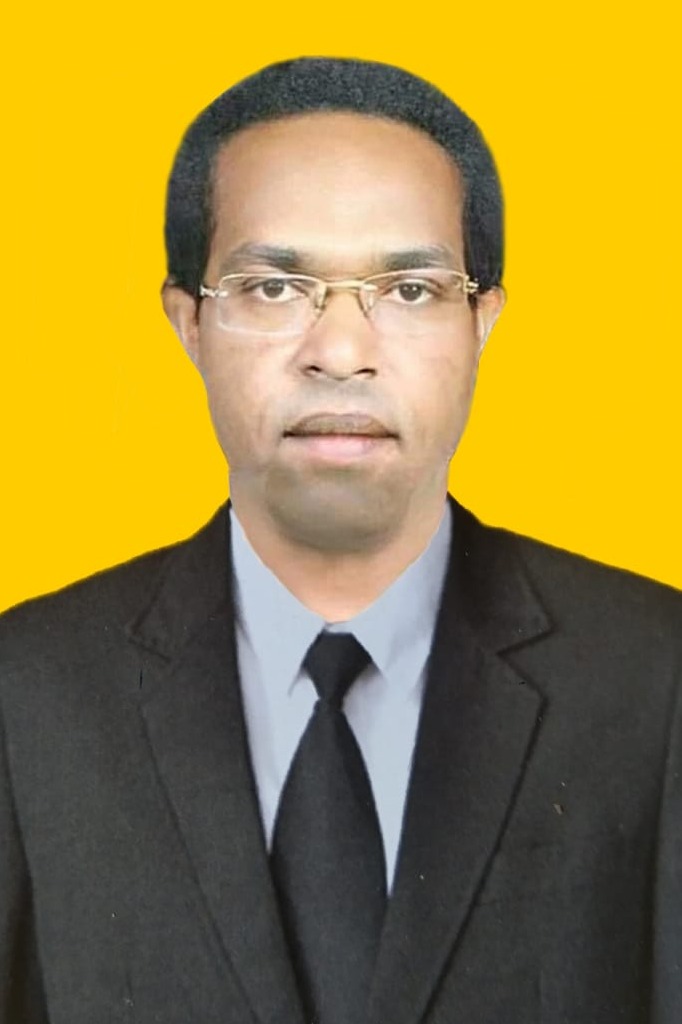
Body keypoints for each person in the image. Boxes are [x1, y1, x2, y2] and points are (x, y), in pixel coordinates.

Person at [0, 55, 680, 1024]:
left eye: (409, 289)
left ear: (482, 320)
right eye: (275, 287)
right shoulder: (27, 691)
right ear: (188, 322)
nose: (342, 351)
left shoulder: (654, 675)